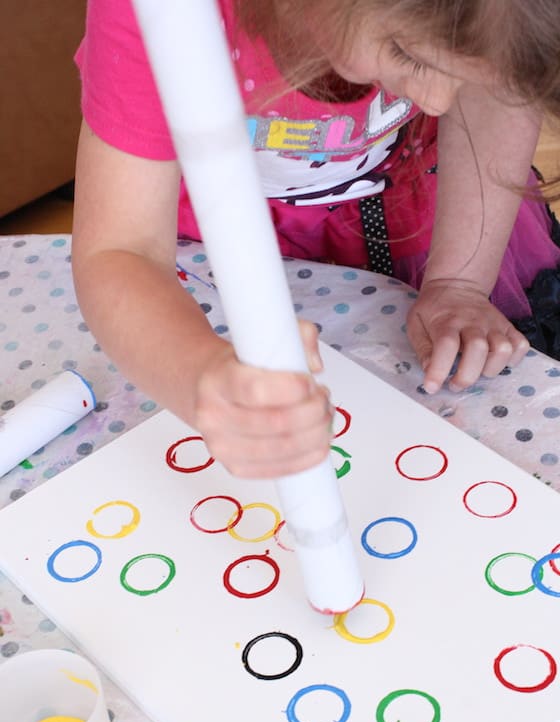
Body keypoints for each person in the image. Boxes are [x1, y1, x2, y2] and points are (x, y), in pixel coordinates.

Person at [71, 0, 560, 479]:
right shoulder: (162, 12)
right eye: (408, 56)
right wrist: (203, 377)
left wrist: (459, 282)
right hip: (223, 234)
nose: (437, 102)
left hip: (435, 203)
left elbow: (495, 81)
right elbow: (122, 248)